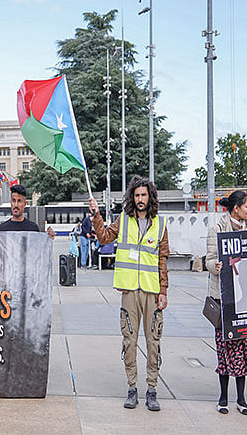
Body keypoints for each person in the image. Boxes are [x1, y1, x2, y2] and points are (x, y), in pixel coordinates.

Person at [89, 176, 169, 411]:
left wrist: (163, 290)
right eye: (136, 195)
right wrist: (96, 215)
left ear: (150, 197)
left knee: (153, 341)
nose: (140, 199)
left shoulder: (160, 225)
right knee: (130, 341)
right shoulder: (123, 220)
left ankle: (152, 389)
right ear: (131, 198)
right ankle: (132, 388)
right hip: (129, 291)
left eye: (144, 195)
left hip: (152, 292)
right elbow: (103, 237)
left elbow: (162, 260)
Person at [205, 190, 247, 415]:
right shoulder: (218, 230)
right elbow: (209, 260)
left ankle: (241, 398)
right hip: (224, 300)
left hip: (245, 301)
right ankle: (223, 397)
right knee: (224, 348)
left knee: (243, 349)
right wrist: (217, 266)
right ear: (236, 208)